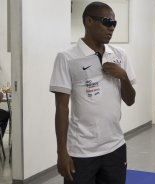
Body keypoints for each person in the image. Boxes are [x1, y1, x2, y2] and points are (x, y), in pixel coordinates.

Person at [49, 2, 136, 184]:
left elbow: (130, 100)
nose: (111, 28)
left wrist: (124, 77)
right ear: (88, 21)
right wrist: (61, 153)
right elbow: (62, 108)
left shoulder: (120, 55)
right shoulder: (67, 58)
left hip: (115, 147)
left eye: (114, 23)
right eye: (106, 22)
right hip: (81, 151)